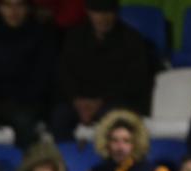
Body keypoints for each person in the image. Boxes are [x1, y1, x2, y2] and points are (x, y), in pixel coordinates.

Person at [50, 0, 155, 139]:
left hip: (114, 101)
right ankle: (65, 158)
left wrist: (100, 102)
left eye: (107, 13)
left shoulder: (131, 40)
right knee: (60, 117)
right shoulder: (75, 37)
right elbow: (65, 73)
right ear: (89, 13)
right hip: (80, 101)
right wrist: (76, 100)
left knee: (113, 118)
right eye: (97, 12)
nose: (102, 18)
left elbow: (134, 81)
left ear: (115, 13)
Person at [0, 0, 55, 150]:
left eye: (19, 5)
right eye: (8, 5)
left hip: (25, 102)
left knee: (24, 122)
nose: (13, 11)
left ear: (28, 8)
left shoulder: (40, 35)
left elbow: (42, 76)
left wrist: (19, 101)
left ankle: (27, 167)